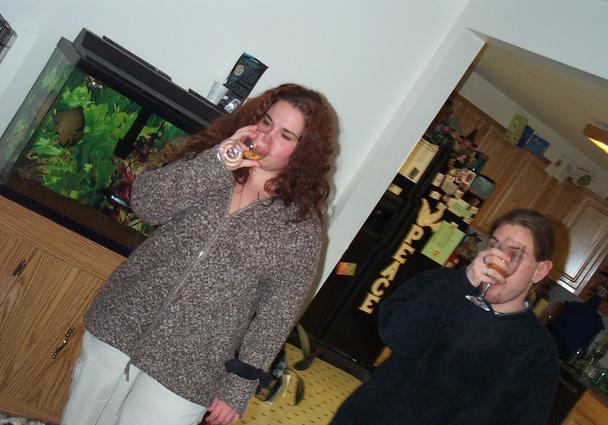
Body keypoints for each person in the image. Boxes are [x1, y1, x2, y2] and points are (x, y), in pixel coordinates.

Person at [60, 83, 337, 425]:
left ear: (303, 153)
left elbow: (277, 314)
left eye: (286, 135)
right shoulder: (213, 160)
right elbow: (146, 205)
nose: (266, 136)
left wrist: (239, 386)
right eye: (266, 121)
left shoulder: (300, 228)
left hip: (192, 368)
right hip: (122, 323)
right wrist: (218, 162)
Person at [330, 208, 559, 425]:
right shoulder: (443, 284)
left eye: (514, 254)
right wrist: (462, 282)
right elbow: (395, 335)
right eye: (494, 246)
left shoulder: (537, 350)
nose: (499, 260)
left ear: (540, 270)